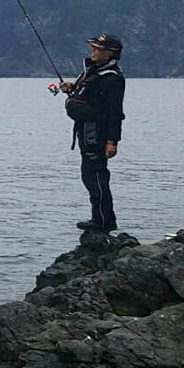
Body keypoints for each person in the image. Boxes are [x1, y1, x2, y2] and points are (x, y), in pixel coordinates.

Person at [59, 33, 125, 233]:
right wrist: (72, 88)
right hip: (86, 132)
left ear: (109, 53)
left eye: (98, 48)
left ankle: (103, 222)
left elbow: (115, 113)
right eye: (93, 47)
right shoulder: (94, 71)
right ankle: (99, 218)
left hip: (96, 135)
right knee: (89, 177)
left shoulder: (111, 78)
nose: (93, 51)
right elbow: (91, 95)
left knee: (96, 177)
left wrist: (113, 141)